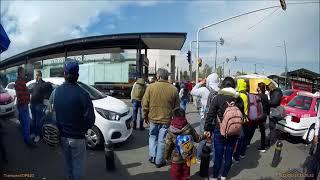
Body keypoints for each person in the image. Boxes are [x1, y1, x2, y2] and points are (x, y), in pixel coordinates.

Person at [52, 59, 95, 180]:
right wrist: (82, 130)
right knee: (78, 166)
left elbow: (55, 113)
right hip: (77, 138)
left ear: (65, 74)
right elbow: (91, 119)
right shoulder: (83, 94)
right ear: (77, 75)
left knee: (68, 165)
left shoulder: (56, 92)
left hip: (62, 137)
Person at [204, 77, 244, 180]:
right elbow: (241, 115)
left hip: (219, 129)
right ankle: (224, 176)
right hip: (234, 130)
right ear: (233, 86)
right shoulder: (238, 98)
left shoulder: (218, 97)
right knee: (229, 153)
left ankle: (214, 176)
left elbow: (211, 114)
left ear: (223, 85)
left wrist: (207, 128)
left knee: (218, 155)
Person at [142, 68, 180, 168]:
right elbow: (177, 108)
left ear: (158, 77)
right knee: (162, 140)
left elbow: (145, 104)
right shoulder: (173, 89)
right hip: (166, 119)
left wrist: (144, 116)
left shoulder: (151, 87)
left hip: (153, 118)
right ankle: (159, 161)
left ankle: (153, 156)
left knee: (152, 136)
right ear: (167, 77)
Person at [165, 108, 204, 180]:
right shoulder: (188, 127)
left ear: (173, 117)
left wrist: (167, 156)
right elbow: (197, 138)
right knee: (186, 173)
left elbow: (168, 145)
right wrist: (204, 135)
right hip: (187, 156)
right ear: (184, 116)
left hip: (175, 157)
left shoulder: (170, 130)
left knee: (176, 174)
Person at [190, 73, 219, 160]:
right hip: (216, 119)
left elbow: (192, 91)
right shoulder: (220, 91)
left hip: (205, 118)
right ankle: (214, 159)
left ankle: (198, 157)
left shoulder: (204, 90)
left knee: (203, 138)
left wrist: (201, 82)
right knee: (215, 140)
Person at [30, 70, 51, 143]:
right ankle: (33, 133)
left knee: (37, 122)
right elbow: (32, 92)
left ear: (39, 76)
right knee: (33, 120)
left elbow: (49, 89)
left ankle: (38, 135)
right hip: (32, 104)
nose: (35, 77)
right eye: (35, 75)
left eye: (36, 75)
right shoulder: (35, 84)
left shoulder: (44, 84)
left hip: (38, 105)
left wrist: (45, 98)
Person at [15, 67, 34, 146]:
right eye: (23, 72)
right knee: (26, 123)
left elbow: (22, 93)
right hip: (23, 105)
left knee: (24, 123)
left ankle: (26, 138)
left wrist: (27, 92)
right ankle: (28, 141)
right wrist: (27, 96)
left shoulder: (21, 82)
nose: (24, 74)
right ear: (20, 73)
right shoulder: (19, 82)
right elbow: (21, 95)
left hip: (23, 105)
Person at [233, 79, 249, 162]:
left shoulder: (240, 95)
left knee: (238, 138)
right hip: (245, 119)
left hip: (239, 119)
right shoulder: (246, 94)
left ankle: (236, 156)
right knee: (242, 137)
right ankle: (240, 154)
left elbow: (239, 108)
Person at [266, 82, 283, 147]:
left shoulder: (276, 93)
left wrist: (267, 101)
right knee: (271, 126)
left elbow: (274, 102)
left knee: (272, 126)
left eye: (269, 88)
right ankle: (271, 138)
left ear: (272, 87)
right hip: (273, 110)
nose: (269, 90)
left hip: (274, 110)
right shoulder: (275, 92)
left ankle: (271, 140)